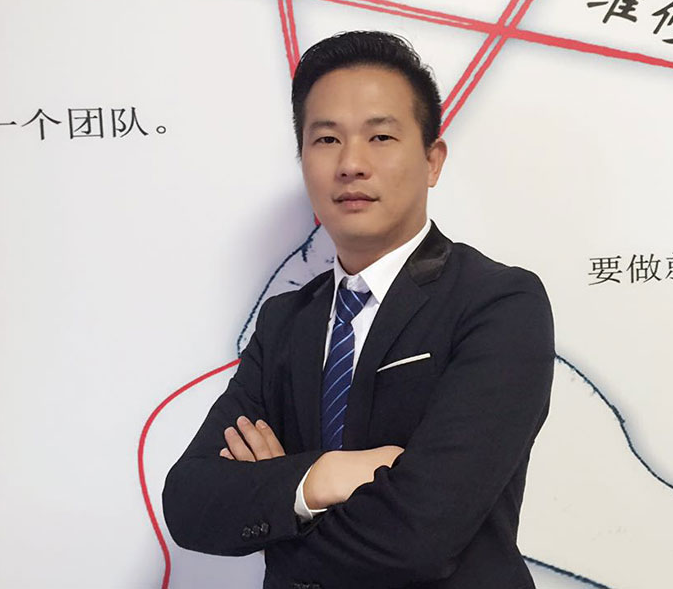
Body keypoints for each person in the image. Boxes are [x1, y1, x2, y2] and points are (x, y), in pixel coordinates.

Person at [163, 30, 554, 589]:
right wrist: (320, 477)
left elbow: (418, 538)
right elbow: (190, 503)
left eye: (381, 137)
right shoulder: (284, 322)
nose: (351, 163)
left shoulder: (497, 303)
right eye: (326, 139)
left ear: (432, 160)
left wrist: (275, 504)